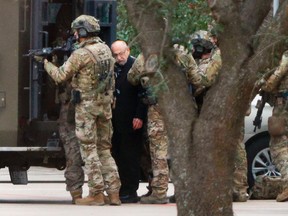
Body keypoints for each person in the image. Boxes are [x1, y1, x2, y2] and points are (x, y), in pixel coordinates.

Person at [40, 14, 121, 206]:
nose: (75, 34)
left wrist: (46, 63)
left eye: (77, 31)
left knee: (89, 149)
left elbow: (60, 76)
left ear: (83, 31)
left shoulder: (81, 54)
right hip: (105, 107)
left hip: (87, 108)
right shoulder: (105, 50)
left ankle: (96, 193)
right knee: (104, 150)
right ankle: (114, 192)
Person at [127, 53, 170, 204]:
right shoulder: (182, 51)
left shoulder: (145, 55)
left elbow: (131, 78)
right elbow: (196, 78)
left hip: (158, 107)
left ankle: (159, 192)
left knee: (158, 150)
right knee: (181, 149)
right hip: (180, 107)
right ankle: (183, 190)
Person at [110, 40, 148, 203]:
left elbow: (143, 93)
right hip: (115, 120)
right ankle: (121, 189)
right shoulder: (114, 68)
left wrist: (139, 115)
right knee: (117, 155)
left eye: (122, 53)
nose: (119, 57)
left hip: (132, 119)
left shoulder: (135, 66)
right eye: (116, 55)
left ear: (128, 50)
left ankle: (130, 191)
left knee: (130, 156)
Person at [259, 50, 288, 202]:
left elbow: (271, 83)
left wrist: (262, 82)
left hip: (284, 107)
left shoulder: (286, 56)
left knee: (279, 146)